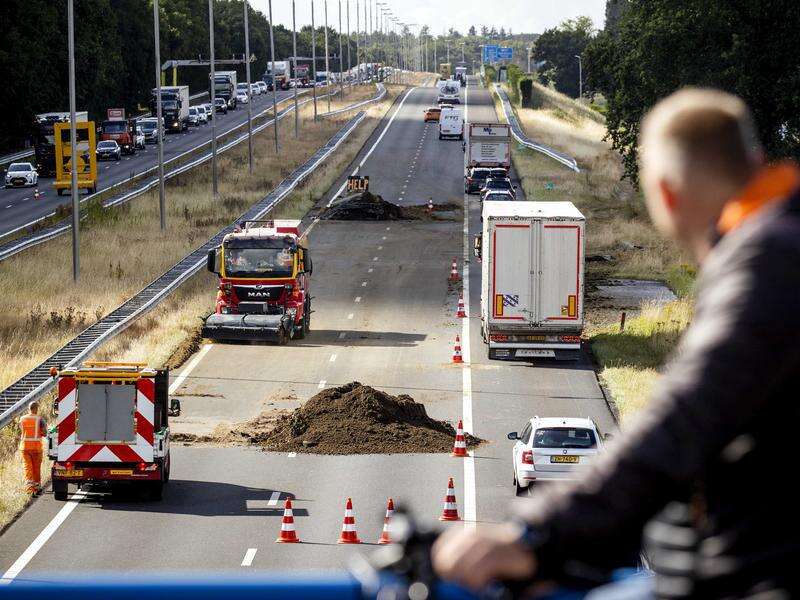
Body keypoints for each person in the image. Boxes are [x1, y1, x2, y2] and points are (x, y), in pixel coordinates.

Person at [433, 88, 800, 598]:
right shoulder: (779, 235)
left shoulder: (770, 259)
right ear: (754, 161)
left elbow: (687, 417)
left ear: (666, 195)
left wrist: (536, 535)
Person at [19, 401, 46, 496]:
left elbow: (22, 431)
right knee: (36, 468)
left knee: (27, 467)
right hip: (36, 448)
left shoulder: (22, 419)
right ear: (35, 409)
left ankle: (30, 489)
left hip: (24, 447)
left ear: (29, 409)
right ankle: (37, 488)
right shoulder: (40, 419)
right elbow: (45, 433)